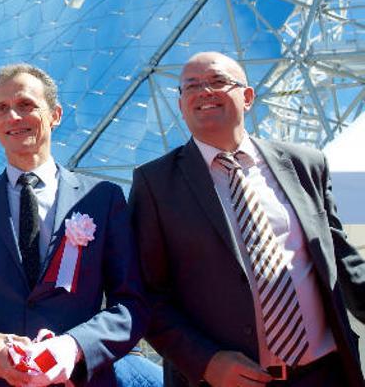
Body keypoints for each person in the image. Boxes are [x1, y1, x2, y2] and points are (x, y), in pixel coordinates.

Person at [130, 51, 365, 387]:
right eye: (191, 86)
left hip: (325, 374)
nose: (204, 91)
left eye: (218, 81)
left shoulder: (305, 165)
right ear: (181, 105)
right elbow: (147, 295)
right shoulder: (155, 185)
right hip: (226, 381)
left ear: (249, 96)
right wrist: (206, 362)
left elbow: (343, 261)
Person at [0, 63, 148, 386]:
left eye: (26, 105)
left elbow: (131, 303)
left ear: (55, 114)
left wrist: (74, 347)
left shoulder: (103, 198)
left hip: (79, 379)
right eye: (1, 109)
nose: (14, 117)